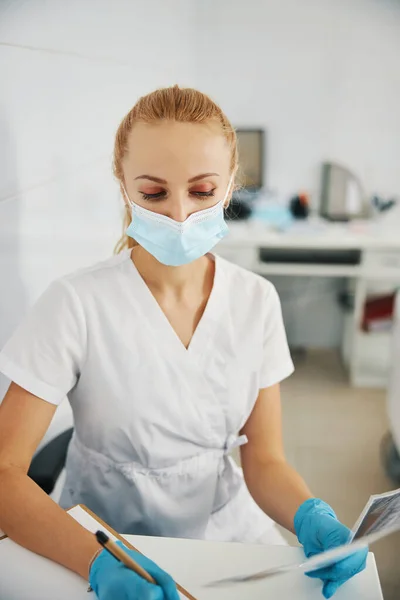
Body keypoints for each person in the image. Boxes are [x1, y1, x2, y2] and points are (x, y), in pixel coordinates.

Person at [0, 86, 367, 600]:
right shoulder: (75, 304)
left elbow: (264, 458)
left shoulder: (255, 300)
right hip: (102, 537)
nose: (178, 215)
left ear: (231, 184)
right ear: (122, 184)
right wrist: (99, 563)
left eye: (201, 192)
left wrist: (310, 515)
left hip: (224, 530)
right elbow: (3, 474)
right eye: (153, 193)